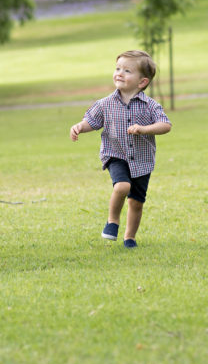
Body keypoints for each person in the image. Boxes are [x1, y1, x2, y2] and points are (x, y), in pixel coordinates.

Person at [70, 50, 172, 248]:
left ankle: (130, 237)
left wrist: (144, 129)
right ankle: (112, 221)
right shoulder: (105, 104)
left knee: (136, 202)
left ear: (142, 82)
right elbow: (92, 121)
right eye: (118, 68)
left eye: (127, 70)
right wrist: (80, 127)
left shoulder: (150, 106)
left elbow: (165, 125)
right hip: (115, 154)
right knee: (122, 186)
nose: (119, 73)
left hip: (142, 160)